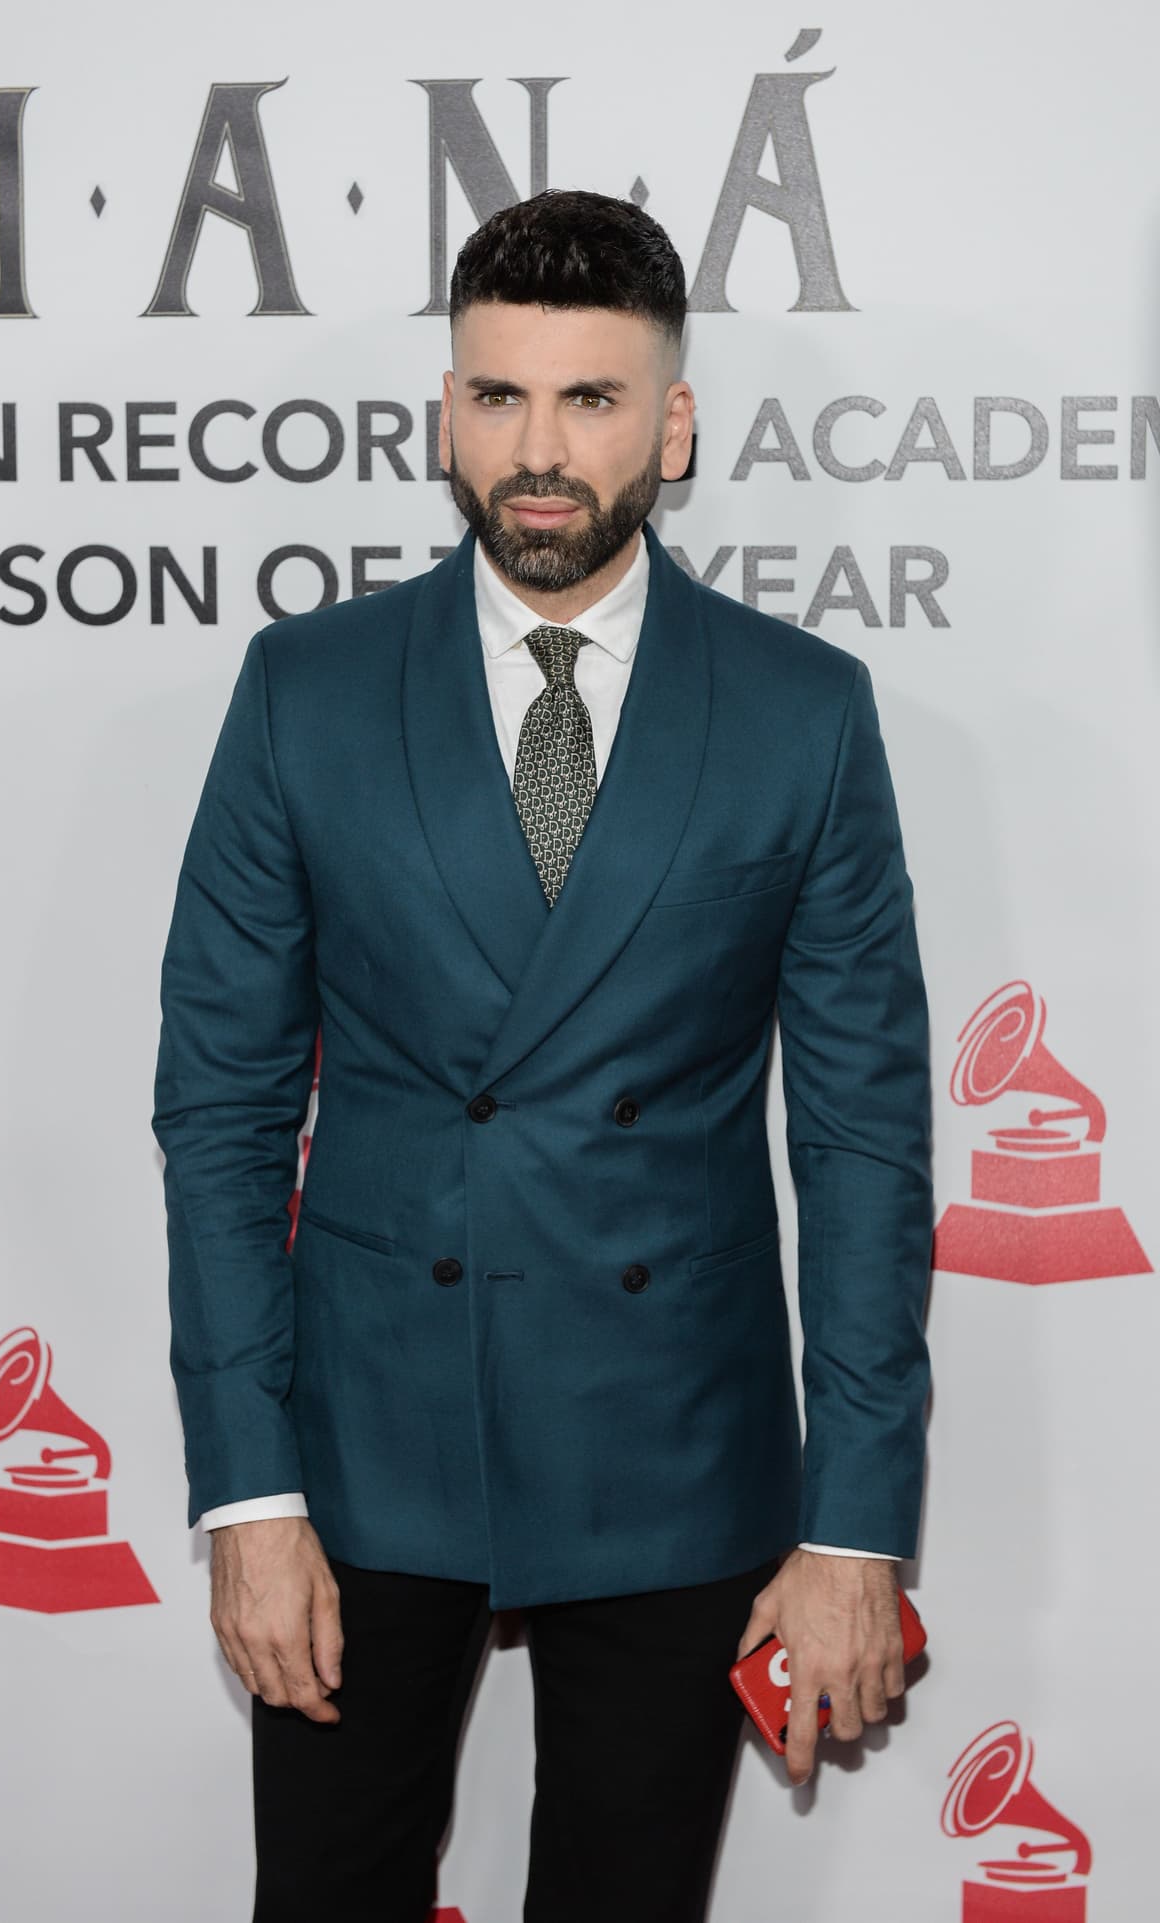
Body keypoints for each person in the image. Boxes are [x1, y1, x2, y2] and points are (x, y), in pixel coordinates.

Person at [151, 187, 933, 1922]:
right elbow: (220, 1108)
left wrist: (857, 1526)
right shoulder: (308, 689)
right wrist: (248, 1488)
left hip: (674, 1439)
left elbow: (868, 1145)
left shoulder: (802, 711)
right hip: (362, 1444)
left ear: (673, 423)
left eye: (589, 400)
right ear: (447, 414)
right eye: (499, 397)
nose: (540, 452)